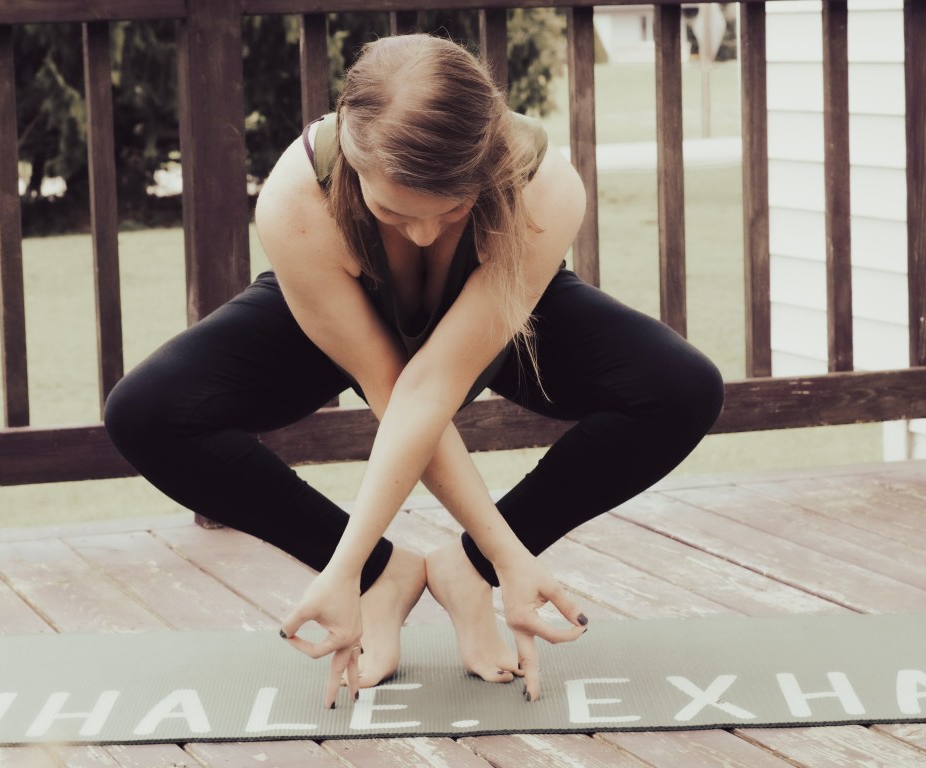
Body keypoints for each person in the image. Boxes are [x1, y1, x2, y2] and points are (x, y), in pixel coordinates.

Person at [104, 33, 724, 708]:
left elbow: (433, 385)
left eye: (452, 209)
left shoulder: (544, 187)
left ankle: (465, 572)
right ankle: (384, 579)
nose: (424, 233)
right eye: (395, 212)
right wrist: (348, 569)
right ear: (354, 162)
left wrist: (500, 557)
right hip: (344, 314)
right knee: (146, 412)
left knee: (681, 389)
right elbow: (396, 390)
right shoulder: (298, 198)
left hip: (496, 308)